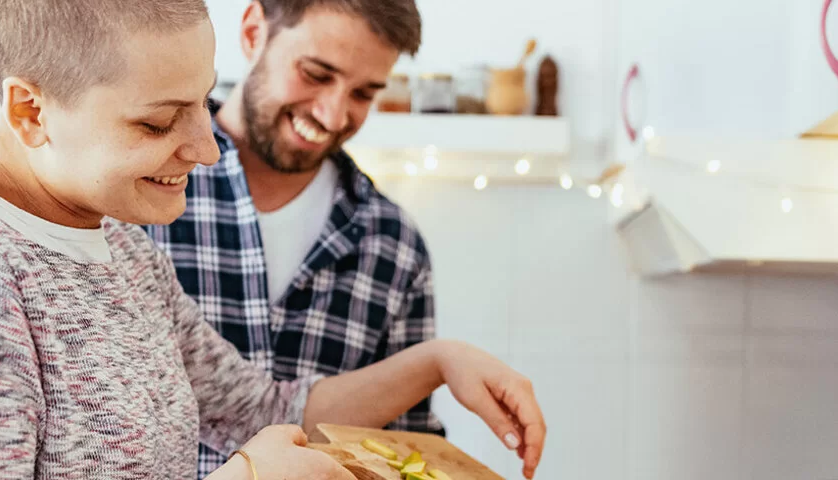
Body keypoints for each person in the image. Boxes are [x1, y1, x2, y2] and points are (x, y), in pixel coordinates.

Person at [0, 1, 547, 479]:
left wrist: (438, 360)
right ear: (31, 110)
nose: (208, 150)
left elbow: (264, 411)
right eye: (159, 122)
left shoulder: (123, 253)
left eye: (202, 101)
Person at [145, 1, 547, 478]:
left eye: (363, 93)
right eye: (316, 74)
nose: (333, 115)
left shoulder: (394, 246)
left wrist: (440, 360)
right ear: (254, 32)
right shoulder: (146, 189)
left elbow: (394, 446)